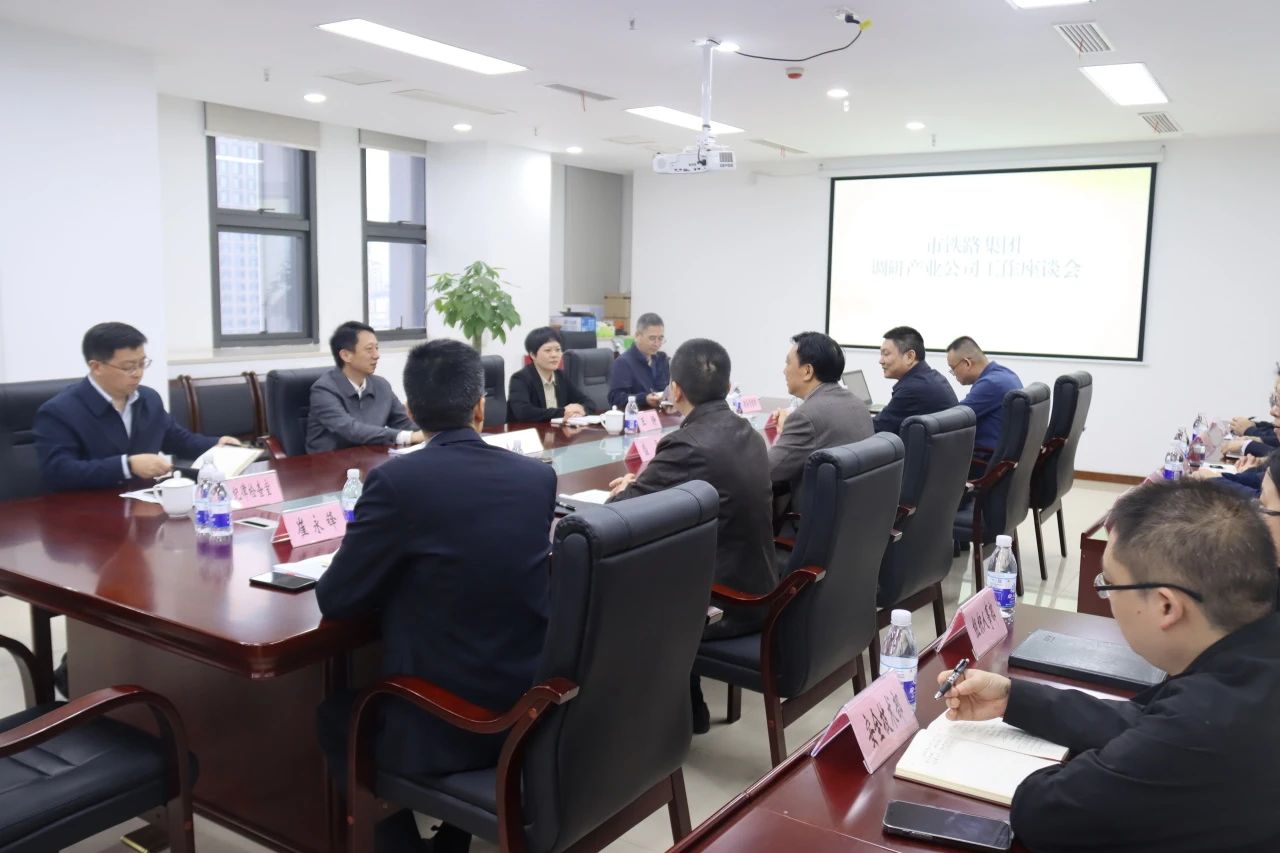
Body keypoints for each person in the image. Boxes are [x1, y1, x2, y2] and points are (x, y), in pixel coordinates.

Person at [937, 479, 1280, 852]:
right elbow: (1142, 719)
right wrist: (1013, 699)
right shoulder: (1253, 657)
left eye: (1109, 586)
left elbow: (1045, 813)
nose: (1106, 599)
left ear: (1166, 606)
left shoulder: (1202, 722)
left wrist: (1089, 766)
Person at [315, 339, 556, 853]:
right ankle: (453, 834)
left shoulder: (397, 482)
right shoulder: (537, 477)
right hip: (531, 703)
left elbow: (337, 599)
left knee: (336, 715)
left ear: (410, 409)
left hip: (446, 723)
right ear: (480, 407)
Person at [607, 338, 776, 733]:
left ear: (675, 390)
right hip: (760, 583)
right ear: (728, 384)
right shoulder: (747, 432)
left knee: (620, 579)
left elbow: (622, 511)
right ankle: (688, 703)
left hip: (724, 604)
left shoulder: (688, 443)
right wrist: (644, 484)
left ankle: (655, 720)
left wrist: (628, 487)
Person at [33, 322, 239, 492]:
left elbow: (178, 440)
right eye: (128, 367)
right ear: (96, 367)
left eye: (142, 364)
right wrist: (127, 466)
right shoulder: (59, 411)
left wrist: (216, 444)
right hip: (85, 511)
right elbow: (59, 471)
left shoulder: (148, 399)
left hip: (142, 505)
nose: (138, 373)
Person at [767, 331, 873, 513]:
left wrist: (783, 432)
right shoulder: (858, 404)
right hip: (855, 514)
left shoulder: (805, 417)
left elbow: (768, 471)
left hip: (818, 518)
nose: (784, 370)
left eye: (788, 363)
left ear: (807, 371)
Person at [305, 321, 423, 454]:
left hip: (370, 458)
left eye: (377, 348)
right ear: (346, 355)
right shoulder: (323, 390)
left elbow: (404, 424)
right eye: (369, 349)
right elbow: (350, 429)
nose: (376, 355)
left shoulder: (382, 385)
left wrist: (430, 434)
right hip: (327, 462)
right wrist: (408, 437)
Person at [872, 326, 957, 436]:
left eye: (886, 354)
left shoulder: (912, 390)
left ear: (910, 356)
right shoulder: (934, 377)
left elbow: (875, 429)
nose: (881, 361)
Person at [945, 336, 1023, 454]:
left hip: (984, 458)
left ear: (967, 363)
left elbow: (953, 418)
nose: (953, 373)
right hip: (1004, 454)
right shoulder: (1006, 374)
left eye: (952, 368)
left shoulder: (990, 384)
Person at [507, 326, 596, 422]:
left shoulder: (561, 376)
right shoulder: (520, 379)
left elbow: (589, 403)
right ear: (533, 355)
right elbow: (523, 412)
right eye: (548, 350)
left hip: (557, 429)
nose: (554, 355)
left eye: (558, 350)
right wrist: (564, 412)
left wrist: (582, 409)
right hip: (530, 430)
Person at [608, 312, 670, 410]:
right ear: (637, 336)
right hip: (636, 415)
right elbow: (615, 399)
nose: (657, 343)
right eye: (652, 338)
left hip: (660, 414)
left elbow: (664, 390)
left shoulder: (661, 359)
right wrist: (644, 399)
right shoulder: (623, 363)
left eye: (660, 338)